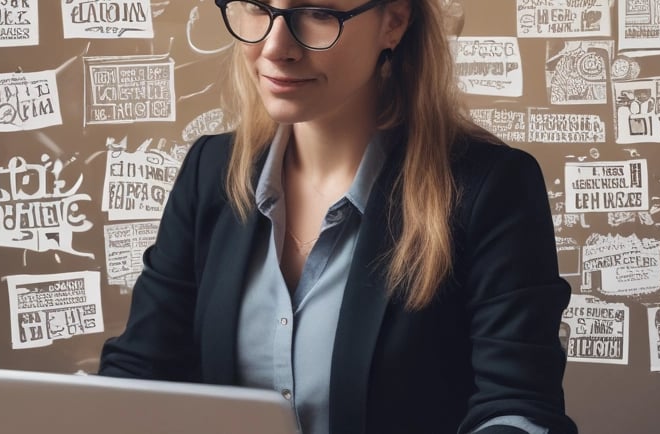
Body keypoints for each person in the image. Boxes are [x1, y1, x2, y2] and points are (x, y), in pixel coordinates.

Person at [99, 0, 578, 433]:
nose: (275, 47)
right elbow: (140, 371)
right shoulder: (209, 171)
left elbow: (518, 406)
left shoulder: (492, 188)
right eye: (257, 7)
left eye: (318, 13)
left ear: (393, 22)